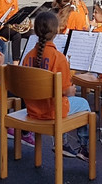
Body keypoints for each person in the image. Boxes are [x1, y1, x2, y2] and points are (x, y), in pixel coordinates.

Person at [21, 11, 92, 161]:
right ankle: (83, 148)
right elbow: (66, 91)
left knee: (61, 101)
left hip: (32, 109)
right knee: (83, 104)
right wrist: (71, 90)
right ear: (56, 31)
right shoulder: (58, 58)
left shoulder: (28, 56)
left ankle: (64, 144)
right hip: (51, 110)